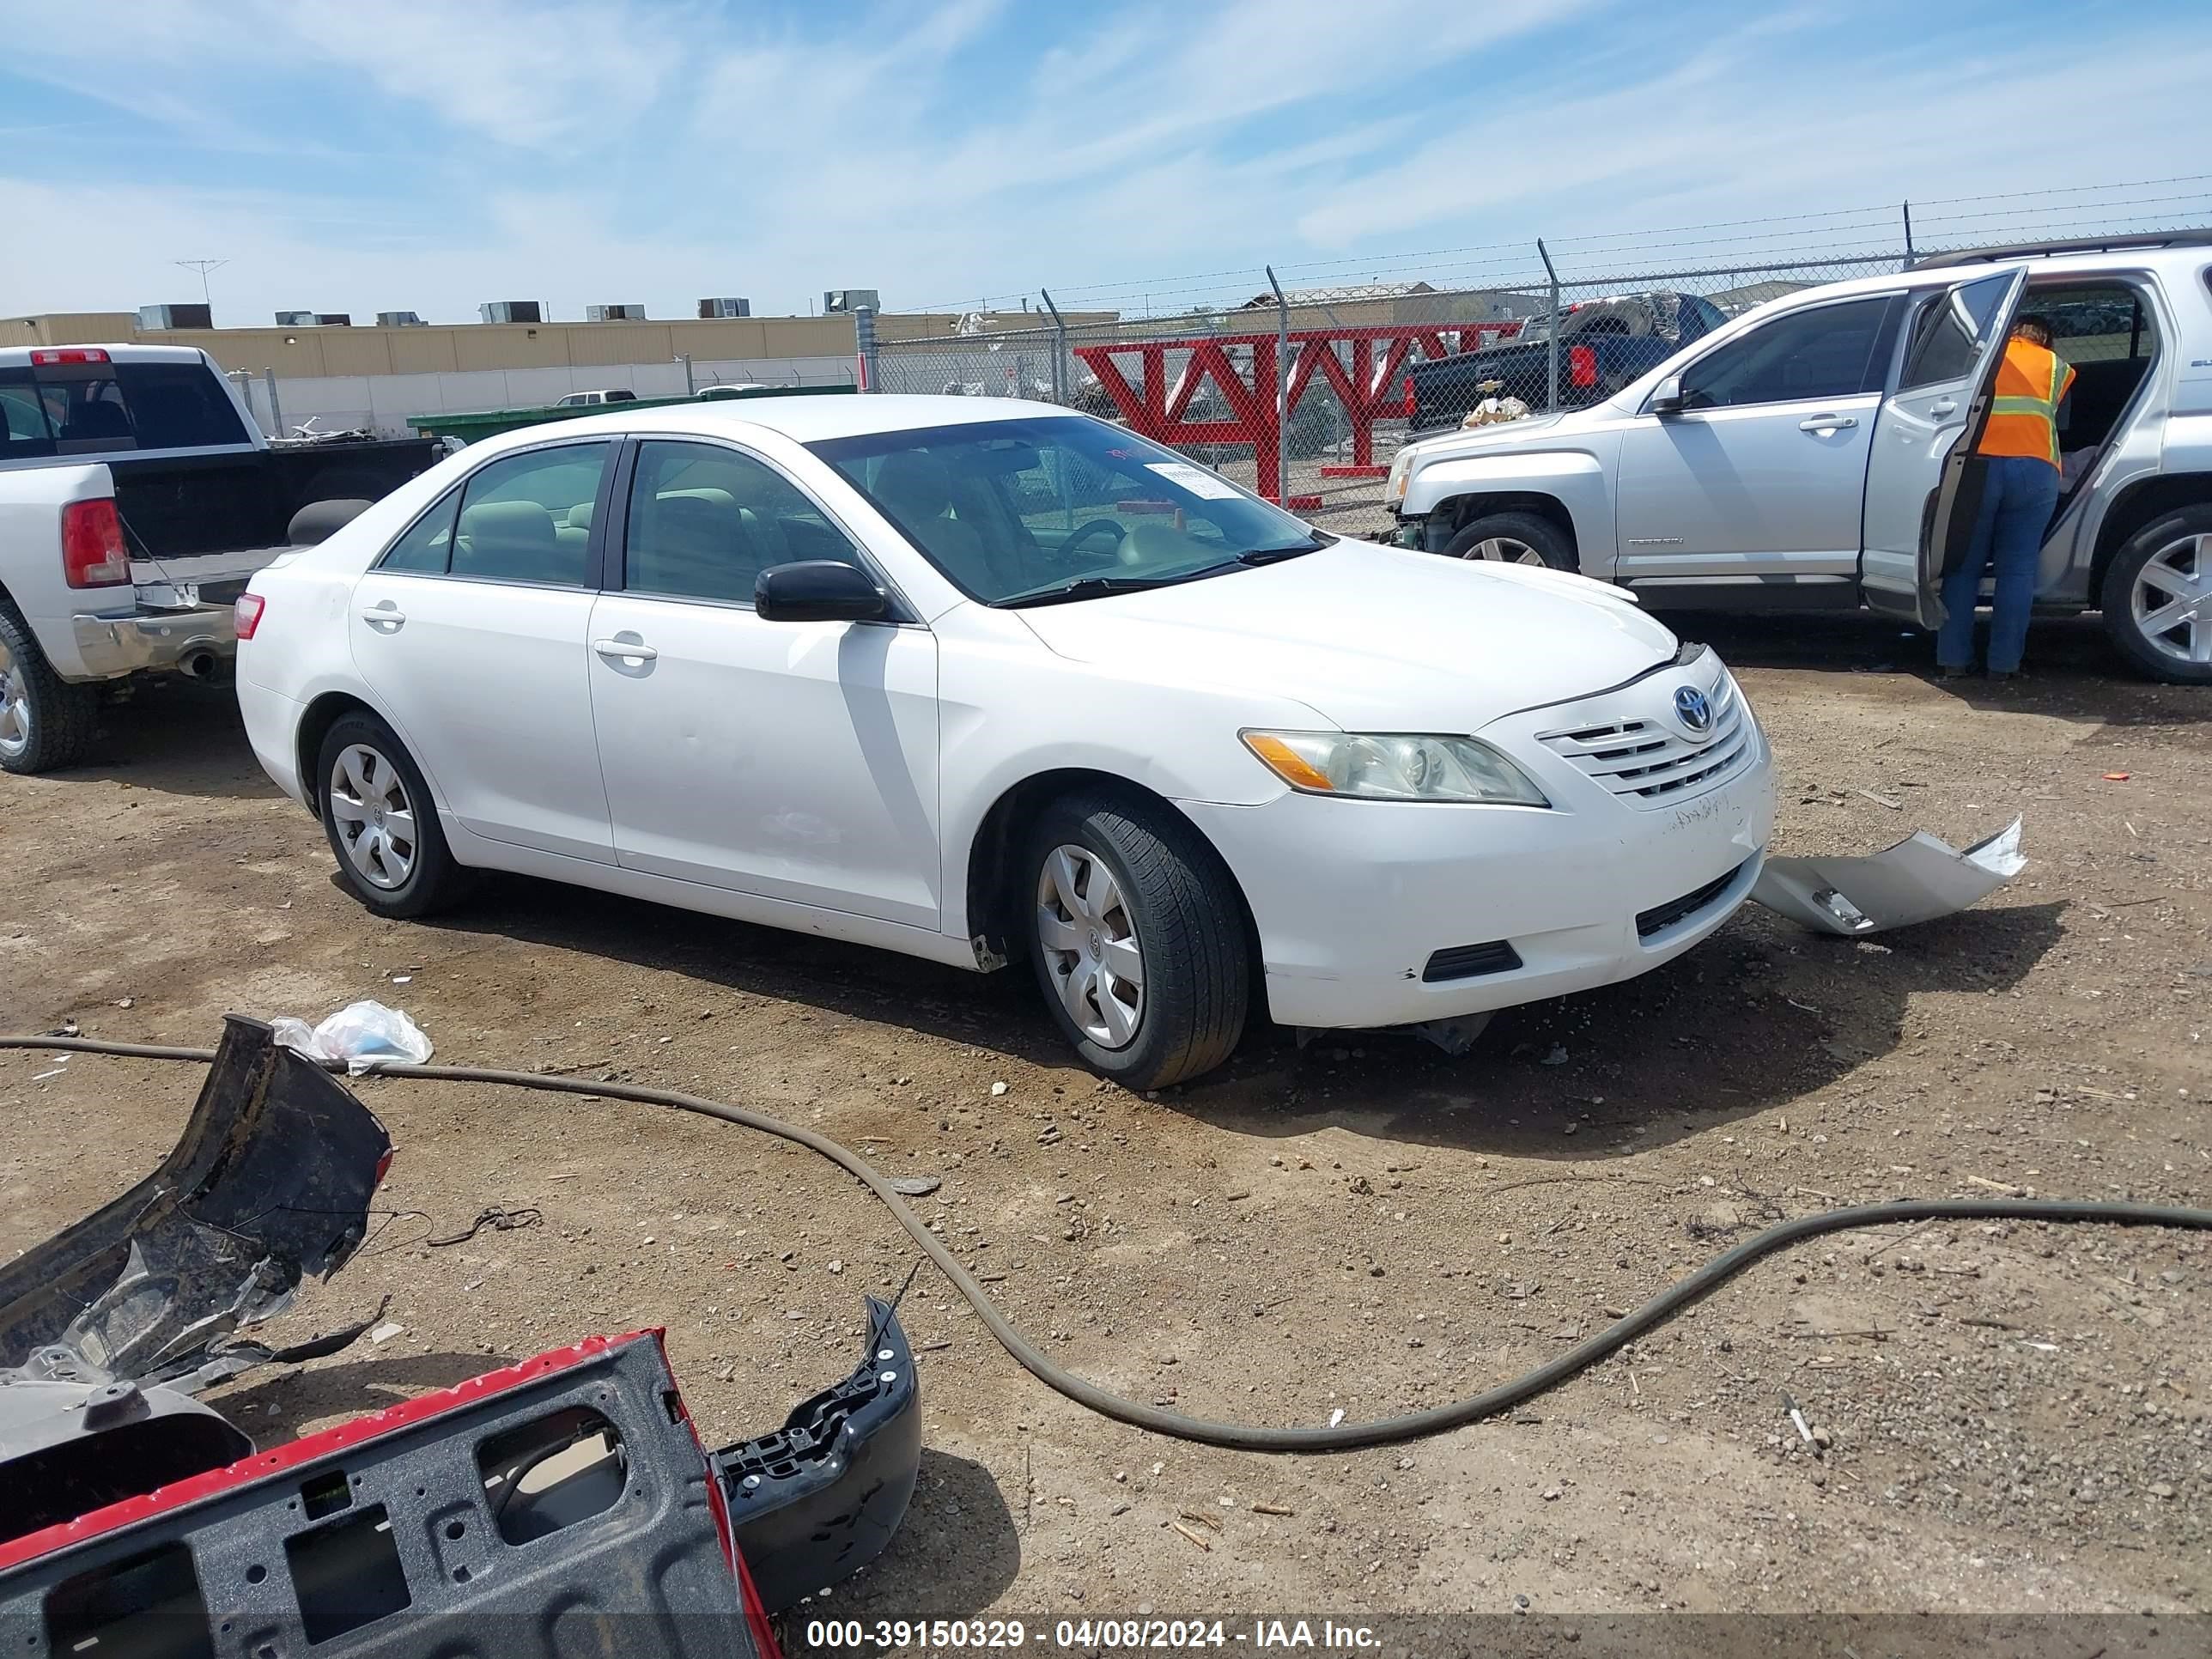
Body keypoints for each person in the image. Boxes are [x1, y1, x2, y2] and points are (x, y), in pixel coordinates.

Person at [1936, 314, 2075, 681]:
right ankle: (2004, 666)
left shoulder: (1981, 357)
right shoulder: (2057, 366)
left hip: (1975, 470)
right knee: (2017, 571)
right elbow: (2058, 418)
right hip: (2035, 470)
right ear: (2044, 338)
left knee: (1963, 568)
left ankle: (1954, 661)